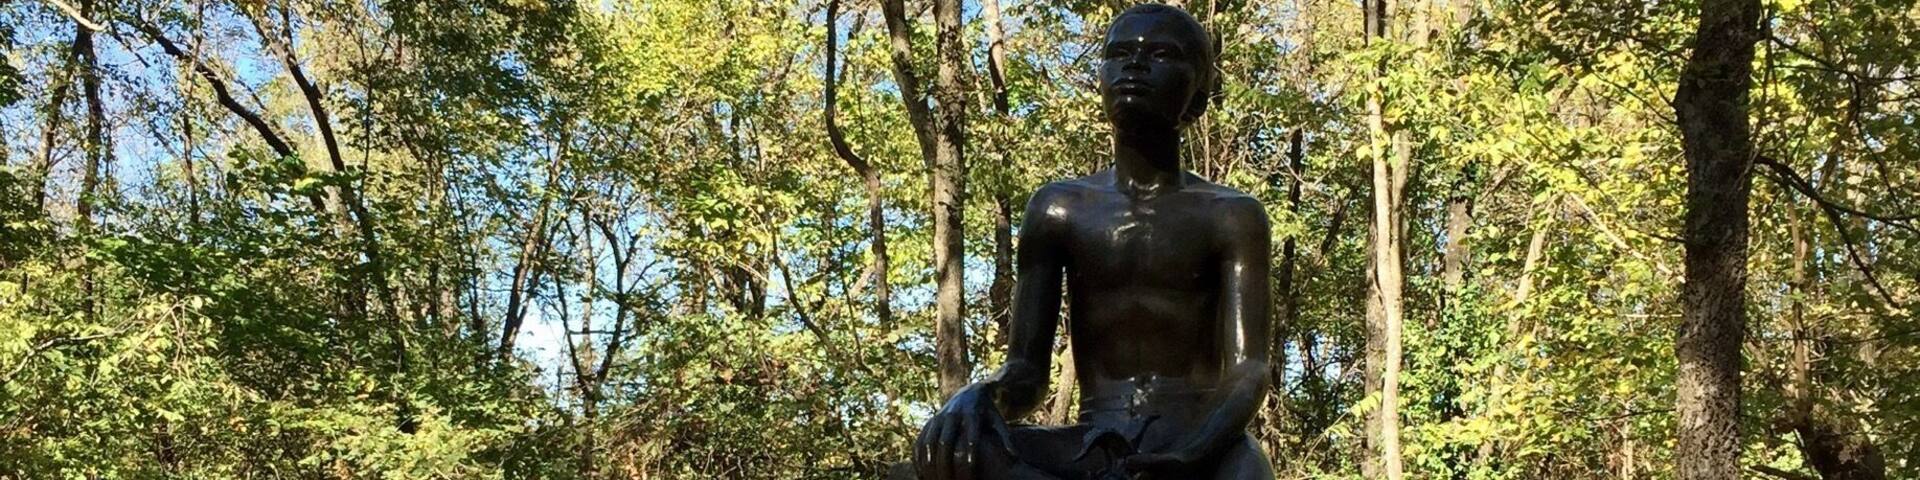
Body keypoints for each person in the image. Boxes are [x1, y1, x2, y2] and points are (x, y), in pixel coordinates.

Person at [911, 4, 1274, 479]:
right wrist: (979, 394)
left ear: (1199, 97)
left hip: (1199, 438)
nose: (1135, 65)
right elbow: (1027, 372)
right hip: (1092, 441)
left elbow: (1248, 370)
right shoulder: (1059, 209)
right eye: (1119, 53)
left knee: (1246, 471)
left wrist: (1190, 455)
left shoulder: (1232, 215)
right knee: (951, 452)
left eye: (1161, 54)